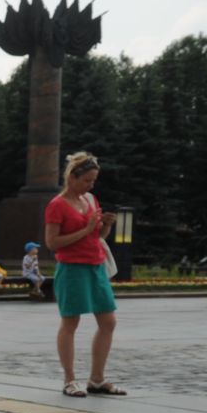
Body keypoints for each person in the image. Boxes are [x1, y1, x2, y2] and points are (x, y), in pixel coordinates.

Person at [45, 151, 123, 398]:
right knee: (70, 323)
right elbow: (53, 243)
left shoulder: (90, 199)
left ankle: (97, 379)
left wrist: (105, 226)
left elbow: (97, 237)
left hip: (96, 265)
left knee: (108, 322)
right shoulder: (57, 205)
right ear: (72, 177)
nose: (90, 185)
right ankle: (69, 379)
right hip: (72, 268)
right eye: (86, 180)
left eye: (93, 181)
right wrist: (87, 228)